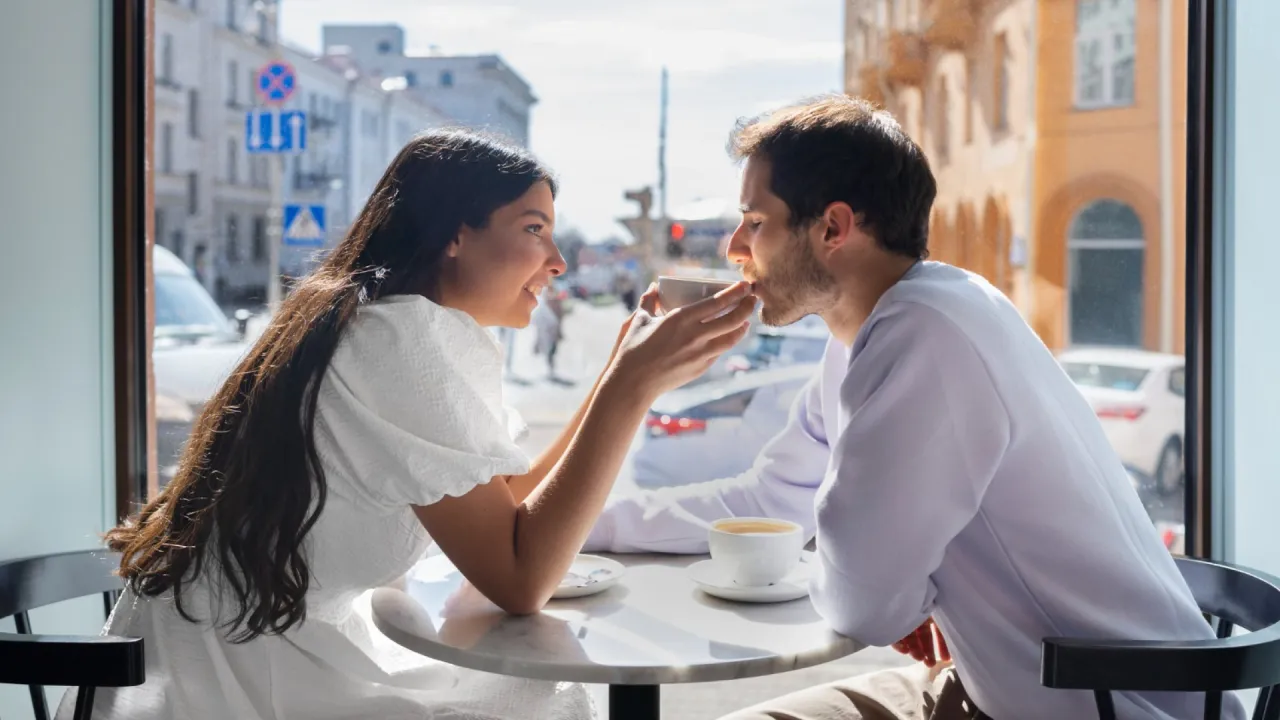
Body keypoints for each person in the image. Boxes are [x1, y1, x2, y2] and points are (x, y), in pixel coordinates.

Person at [582, 95, 1244, 720]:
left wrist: (906, 586)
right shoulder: (896, 322)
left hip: (1091, 709)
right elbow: (769, 500)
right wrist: (582, 530)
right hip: (994, 687)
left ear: (833, 228)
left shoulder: (924, 333)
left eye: (755, 223)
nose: (734, 250)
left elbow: (863, 605)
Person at [66, 130, 756, 720]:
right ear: (456, 233)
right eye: (533, 228)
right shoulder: (397, 340)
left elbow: (509, 505)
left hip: (268, 641)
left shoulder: (411, 329)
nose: (559, 261)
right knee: (536, 697)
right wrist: (630, 389)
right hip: (230, 677)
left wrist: (617, 372)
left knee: (532, 690)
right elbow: (519, 577)